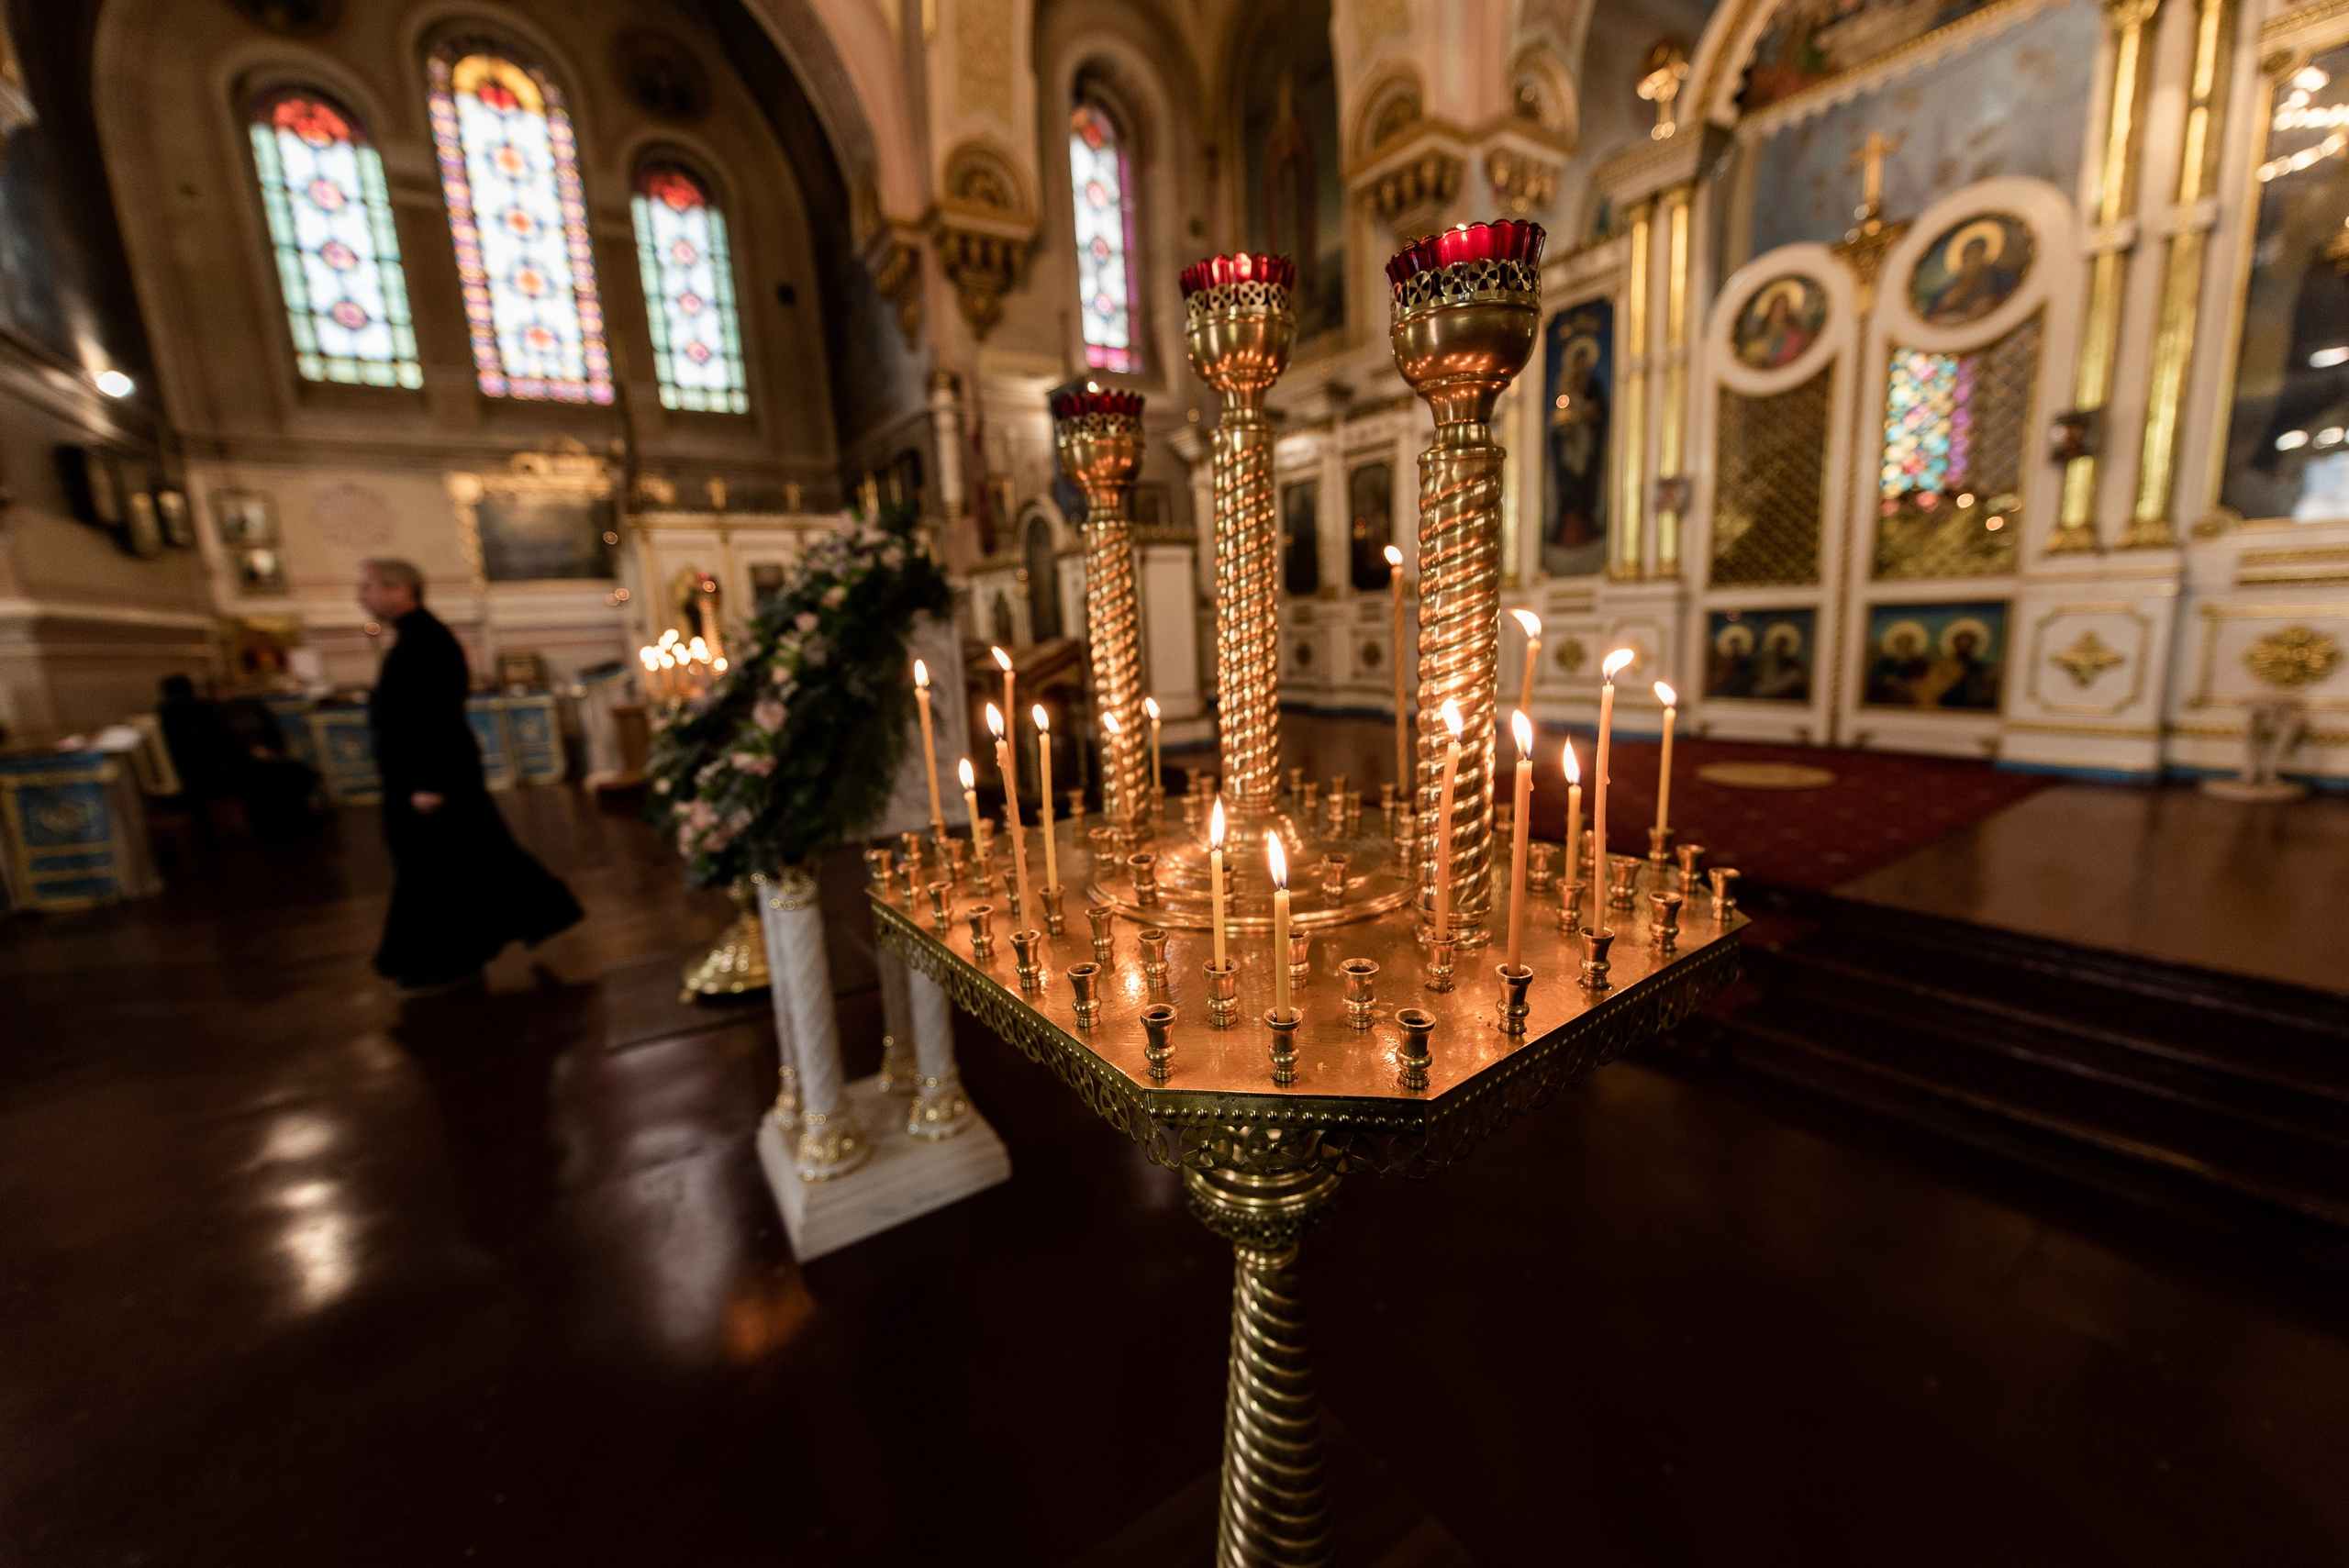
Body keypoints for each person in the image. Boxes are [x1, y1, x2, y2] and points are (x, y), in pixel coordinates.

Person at [357, 559, 582, 994]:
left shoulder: (429, 640)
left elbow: (434, 716)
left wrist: (429, 782)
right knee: (465, 860)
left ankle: (454, 958)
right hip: (423, 775)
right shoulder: (415, 636)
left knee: (443, 869)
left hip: (434, 777)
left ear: (400, 588)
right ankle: (463, 949)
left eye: (368, 587)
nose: (361, 597)